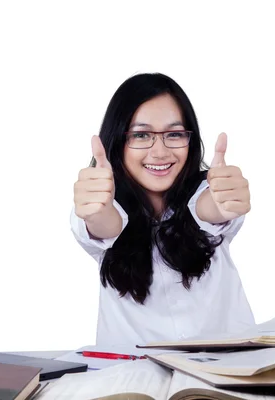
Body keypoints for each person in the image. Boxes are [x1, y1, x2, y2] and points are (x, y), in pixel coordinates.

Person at [70, 72, 255, 346]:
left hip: (229, 377)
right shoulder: (98, 204)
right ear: (118, 142)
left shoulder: (209, 190)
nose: (160, 152)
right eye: (141, 135)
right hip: (133, 380)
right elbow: (104, 224)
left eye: (174, 134)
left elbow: (207, 209)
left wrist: (222, 202)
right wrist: (97, 209)